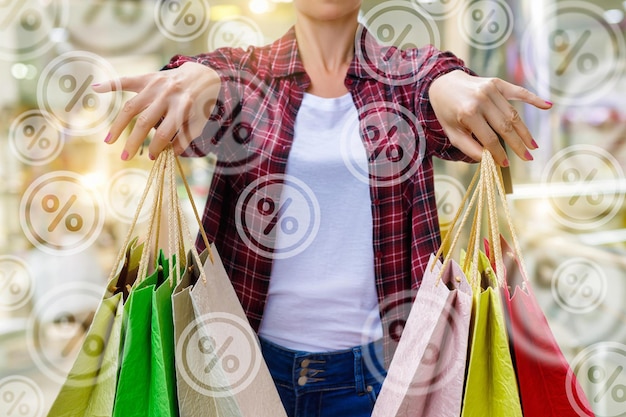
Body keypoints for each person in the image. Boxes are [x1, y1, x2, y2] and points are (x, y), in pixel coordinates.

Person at [93, 1, 551, 415]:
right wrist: (200, 76)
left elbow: (435, 80)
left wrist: (452, 84)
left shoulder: (405, 77)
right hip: (243, 366)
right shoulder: (242, 76)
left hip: (383, 373)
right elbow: (210, 92)